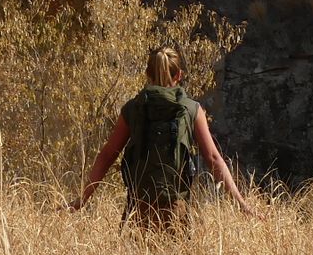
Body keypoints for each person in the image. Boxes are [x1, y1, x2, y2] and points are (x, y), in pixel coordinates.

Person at [68, 45, 264, 231]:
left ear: (148, 75)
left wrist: (82, 199)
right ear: (179, 75)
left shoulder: (133, 108)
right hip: (175, 207)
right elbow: (213, 159)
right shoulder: (192, 109)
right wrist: (242, 204)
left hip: (139, 206)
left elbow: (107, 155)